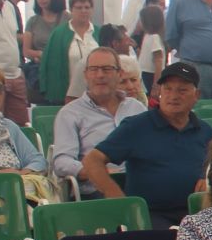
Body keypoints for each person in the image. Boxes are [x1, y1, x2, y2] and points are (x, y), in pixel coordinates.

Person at [83, 62, 212, 227]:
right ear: (159, 92)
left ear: (196, 95)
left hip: (198, 214)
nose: (174, 96)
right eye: (167, 89)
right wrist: (119, 200)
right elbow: (92, 160)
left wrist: (208, 178)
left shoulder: (205, 131)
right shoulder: (136, 126)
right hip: (150, 216)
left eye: (182, 90)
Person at [50, 48, 146, 190]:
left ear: (119, 74)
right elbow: (62, 162)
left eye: (107, 69)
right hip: (96, 191)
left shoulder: (137, 108)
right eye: (94, 69)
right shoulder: (69, 114)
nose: (100, 75)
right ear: (85, 75)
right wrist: (98, 172)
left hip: (141, 186)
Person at [39, 0, 101, 104]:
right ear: (71, 10)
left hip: (96, 94)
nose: (83, 11)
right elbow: (49, 65)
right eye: (79, 7)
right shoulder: (59, 33)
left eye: (87, 7)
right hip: (68, 94)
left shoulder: (99, 32)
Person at [22, 0, 65, 103]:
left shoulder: (66, 18)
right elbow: (26, 51)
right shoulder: (33, 21)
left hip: (62, 70)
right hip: (42, 71)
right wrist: (41, 55)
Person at [136, 4, 168, 94]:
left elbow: (158, 60)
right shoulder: (148, 36)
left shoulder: (154, 38)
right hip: (144, 73)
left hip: (150, 75)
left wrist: (156, 85)